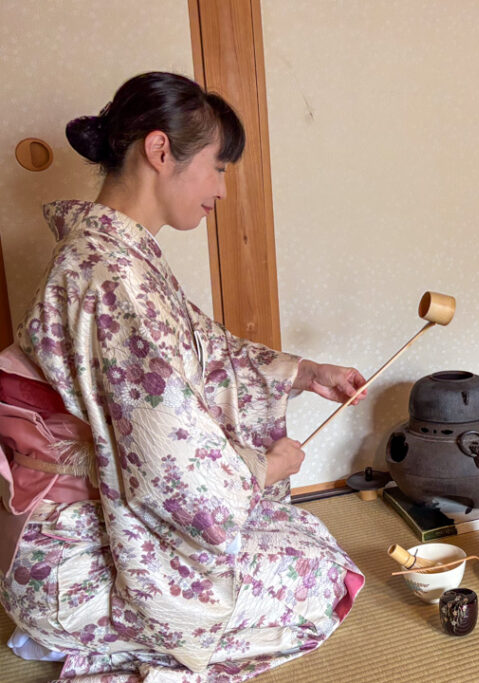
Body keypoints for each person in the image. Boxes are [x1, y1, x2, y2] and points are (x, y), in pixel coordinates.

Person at [0, 72, 368, 680]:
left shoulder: (111, 256)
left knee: (298, 531)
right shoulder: (111, 277)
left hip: (76, 532)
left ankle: (87, 633)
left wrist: (304, 373)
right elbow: (174, 468)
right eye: (218, 167)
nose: (222, 189)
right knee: (322, 577)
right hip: (78, 562)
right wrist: (266, 467)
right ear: (160, 150)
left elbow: (206, 352)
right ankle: (89, 637)